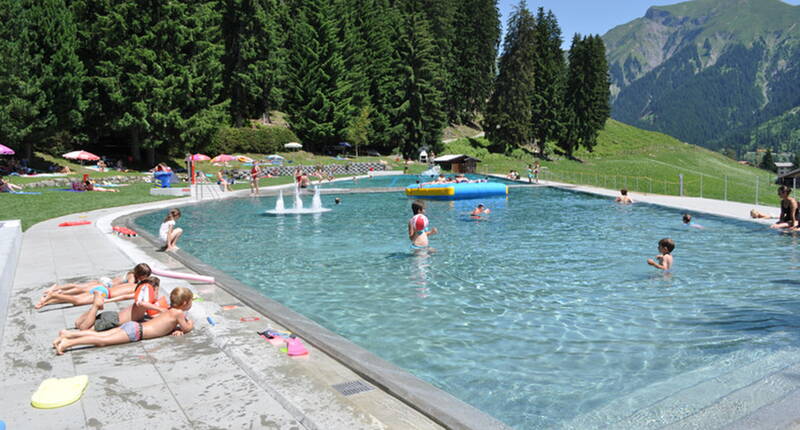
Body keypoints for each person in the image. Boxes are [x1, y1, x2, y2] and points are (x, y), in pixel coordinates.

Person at [53, 287, 194, 355]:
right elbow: (186, 328)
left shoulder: (170, 311)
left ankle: (68, 334)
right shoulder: (179, 313)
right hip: (136, 332)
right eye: (191, 301)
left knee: (101, 335)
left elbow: (164, 324)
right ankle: (68, 343)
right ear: (185, 302)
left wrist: (175, 329)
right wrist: (189, 324)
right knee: (102, 341)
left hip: (134, 326)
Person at [73, 276, 166, 331]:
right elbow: (143, 304)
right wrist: (160, 309)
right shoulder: (143, 302)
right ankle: (96, 305)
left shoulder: (140, 298)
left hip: (112, 315)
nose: (157, 295)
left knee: (78, 324)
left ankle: (94, 307)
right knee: (84, 329)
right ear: (151, 290)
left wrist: (107, 301)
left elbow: (125, 297)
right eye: (157, 291)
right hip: (113, 320)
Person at [43, 263, 151, 298]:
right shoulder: (132, 277)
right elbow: (128, 288)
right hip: (107, 284)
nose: (146, 278)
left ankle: (56, 289)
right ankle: (56, 292)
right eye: (145, 276)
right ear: (140, 274)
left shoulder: (131, 273)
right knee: (81, 290)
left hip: (106, 281)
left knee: (79, 287)